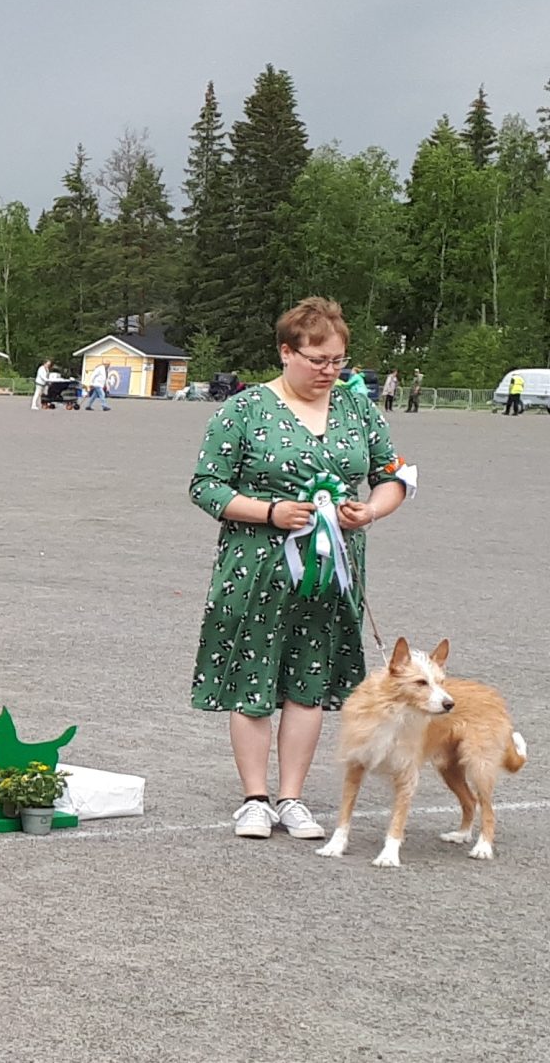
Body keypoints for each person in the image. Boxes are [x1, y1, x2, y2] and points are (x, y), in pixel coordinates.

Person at [188, 298, 408, 842]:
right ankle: (254, 799)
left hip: (334, 571)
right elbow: (206, 485)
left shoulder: (359, 409)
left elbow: (394, 475)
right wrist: (270, 512)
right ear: (286, 352)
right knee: (253, 677)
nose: (329, 371)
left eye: (338, 360)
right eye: (318, 360)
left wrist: (370, 510)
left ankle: (292, 798)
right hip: (256, 567)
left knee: (309, 679)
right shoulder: (242, 410)